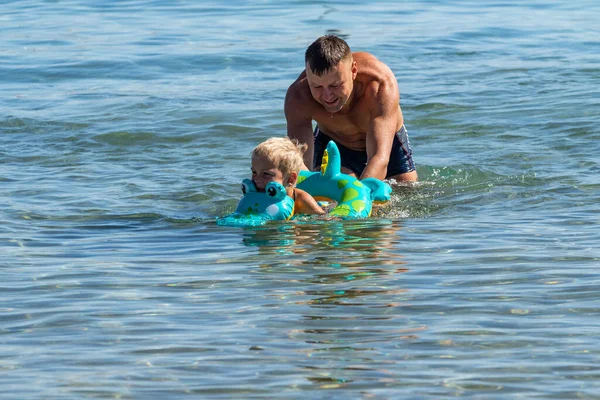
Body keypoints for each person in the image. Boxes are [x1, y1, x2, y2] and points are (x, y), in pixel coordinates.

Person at [285, 34, 418, 182]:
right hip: (335, 143)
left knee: (406, 189)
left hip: (387, 143)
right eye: (317, 86)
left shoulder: (379, 85)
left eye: (335, 85)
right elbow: (300, 164)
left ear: (353, 71)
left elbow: (379, 157)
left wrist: (361, 198)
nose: (327, 96)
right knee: (329, 192)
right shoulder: (298, 97)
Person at [251, 137, 325, 215]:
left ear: (290, 179)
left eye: (266, 174)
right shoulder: (255, 194)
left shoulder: (302, 200)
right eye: (254, 172)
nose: (257, 179)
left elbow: (322, 220)